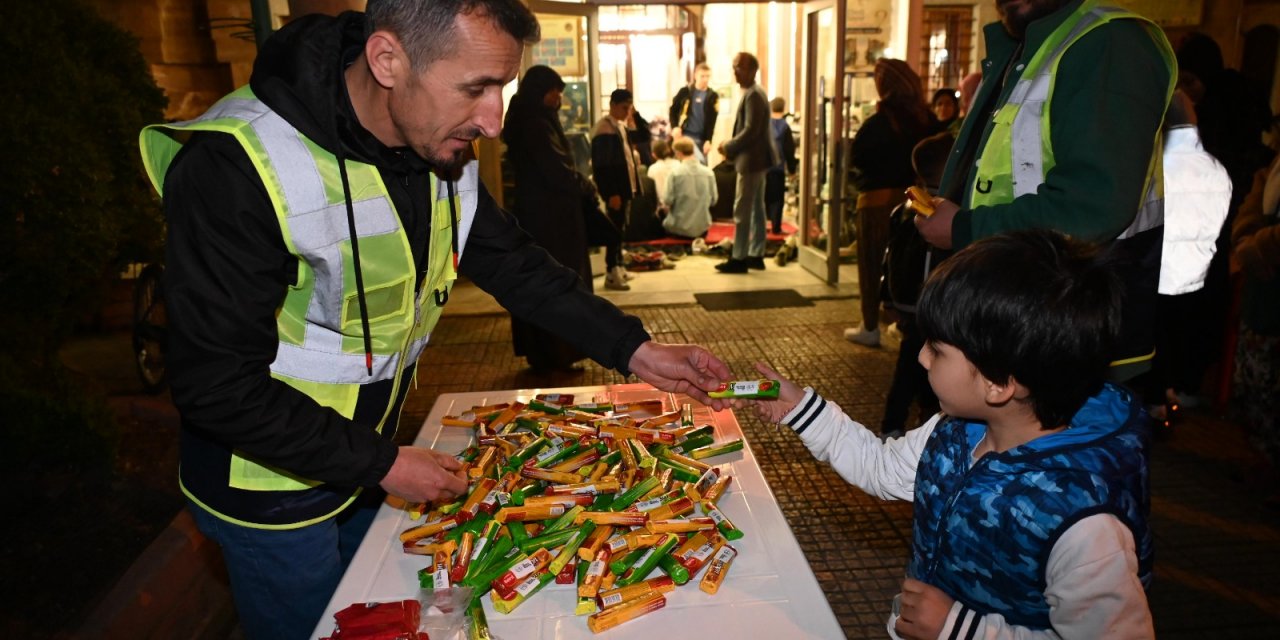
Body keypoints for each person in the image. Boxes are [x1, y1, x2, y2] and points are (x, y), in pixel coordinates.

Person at [137, 1, 732, 637]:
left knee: (389, 617)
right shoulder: (238, 166)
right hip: (270, 489)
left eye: (500, 87)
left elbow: (516, 266)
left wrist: (634, 349)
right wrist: (387, 465)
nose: (493, 122)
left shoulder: (434, 143)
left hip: (370, 461)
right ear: (388, 60)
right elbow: (214, 383)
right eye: (475, 88)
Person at [752, 229, 1154, 639]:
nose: (922, 357)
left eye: (938, 349)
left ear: (999, 384)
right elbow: (881, 467)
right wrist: (801, 407)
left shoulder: (1083, 521)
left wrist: (959, 629)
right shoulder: (955, 432)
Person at [914, 0, 1176, 382]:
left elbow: (1092, 205)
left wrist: (963, 228)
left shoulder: (1107, 41)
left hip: (1065, 336)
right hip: (1016, 322)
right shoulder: (1028, 44)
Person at [503, 65, 602, 368]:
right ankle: (555, 353)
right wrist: (584, 184)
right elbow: (554, 170)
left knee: (542, 280)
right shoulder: (534, 123)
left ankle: (549, 353)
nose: (558, 99)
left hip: (541, 215)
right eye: (554, 92)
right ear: (540, 92)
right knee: (558, 281)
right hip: (550, 221)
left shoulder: (527, 116)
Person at [1142, 90, 1232, 421]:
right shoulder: (1215, 168)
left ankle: (1155, 401)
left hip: (1157, 275)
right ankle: (1170, 394)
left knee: (1155, 343)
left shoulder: (1154, 167)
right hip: (1196, 278)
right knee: (1179, 341)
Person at [844, 59, 932, 346]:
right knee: (908, 264)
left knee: (872, 265)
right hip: (917, 202)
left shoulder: (878, 123)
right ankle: (905, 322)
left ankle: (870, 326)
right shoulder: (925, 119)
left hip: (876, 202)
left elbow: (857, 159)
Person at [1231, 150, 1280, 505]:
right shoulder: (1271, 167)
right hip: (1263, 293)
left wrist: (1262, 243)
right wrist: (1248, 239)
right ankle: (1266, 460)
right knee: (1256, 380)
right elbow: (1251, 208)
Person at [716, 52, 779, 274]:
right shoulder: (755, 92)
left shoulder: (753, 95)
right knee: (757, 210)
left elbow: (750, 130)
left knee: (742, 209)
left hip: (751, 160)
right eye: (734, 67)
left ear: (752, 70)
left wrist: (728, 146)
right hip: (757, 160)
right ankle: (756, 253)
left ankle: (739, 257)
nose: (735, 71)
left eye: (739, 67)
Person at [593, 89, 645, 241]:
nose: (627, 112)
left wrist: (635, 115)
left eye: (629, 108)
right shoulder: (605, 128)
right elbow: (603, 165)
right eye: (624, 108)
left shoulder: (620, 126)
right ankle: (613, 262)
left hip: (625, 184)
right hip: (616, 187)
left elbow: (644, 136)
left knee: (621, 224)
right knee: (615, 225)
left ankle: (618, 258)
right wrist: (612, 192)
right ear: (613, 105)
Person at [662, 138, 718, 239]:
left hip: (678, 228)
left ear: (678, 153)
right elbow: (714, 200)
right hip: (702, 228)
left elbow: (668, 200)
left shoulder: (674, 173)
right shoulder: (709, 173)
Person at [669, 62, 719, 164]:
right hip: (685, 136)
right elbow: (673, 110)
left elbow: (712, 121)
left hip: (701, 138)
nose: (705, 79)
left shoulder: (712, 96)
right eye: (702, 76)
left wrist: (709, 140)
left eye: (708, 76)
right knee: (693, 162)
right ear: (696, 75)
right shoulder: (685, 91)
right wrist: (674, 127)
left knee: (702, 165)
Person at [766, 97, 798, 235]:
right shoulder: (785, 127)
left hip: (763, 168)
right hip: (777, 169)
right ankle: (776, 227)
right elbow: (789, 150)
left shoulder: (764, 126)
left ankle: (763, 225)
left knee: (764, 197)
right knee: (777, 199)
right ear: (783, 109)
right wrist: (792, 170)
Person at [647, 139, 679, 206]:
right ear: (669, 150)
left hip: (662, 207)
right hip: (680, 205)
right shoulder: (678, 164)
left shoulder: (652, 169)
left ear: (654, 154)